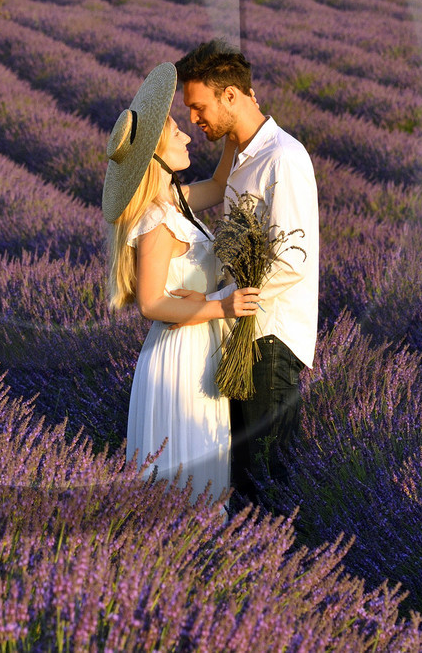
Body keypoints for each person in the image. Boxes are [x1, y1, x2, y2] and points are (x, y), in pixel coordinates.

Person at [103, 61, 263, 511]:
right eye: (177, 134)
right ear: (156, 155)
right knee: (188, 483)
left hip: (197, 349)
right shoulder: (156, 222)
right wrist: (222, 306)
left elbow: (220, 184)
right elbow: (151, 304)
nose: (188, 138)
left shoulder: (175, 202)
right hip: (179, 360)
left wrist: (237, 126)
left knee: (200, 480)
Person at [172, 39, 319, 516]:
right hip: (243, 337)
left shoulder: (283, 158)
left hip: (269, 342)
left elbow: (290, 260)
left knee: (267, 486)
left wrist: (219, 299)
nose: (193, 119)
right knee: (245, 482)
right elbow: (220, 204)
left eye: (199, 107)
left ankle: (279, 563)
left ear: (231, 96)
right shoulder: (243, 155)